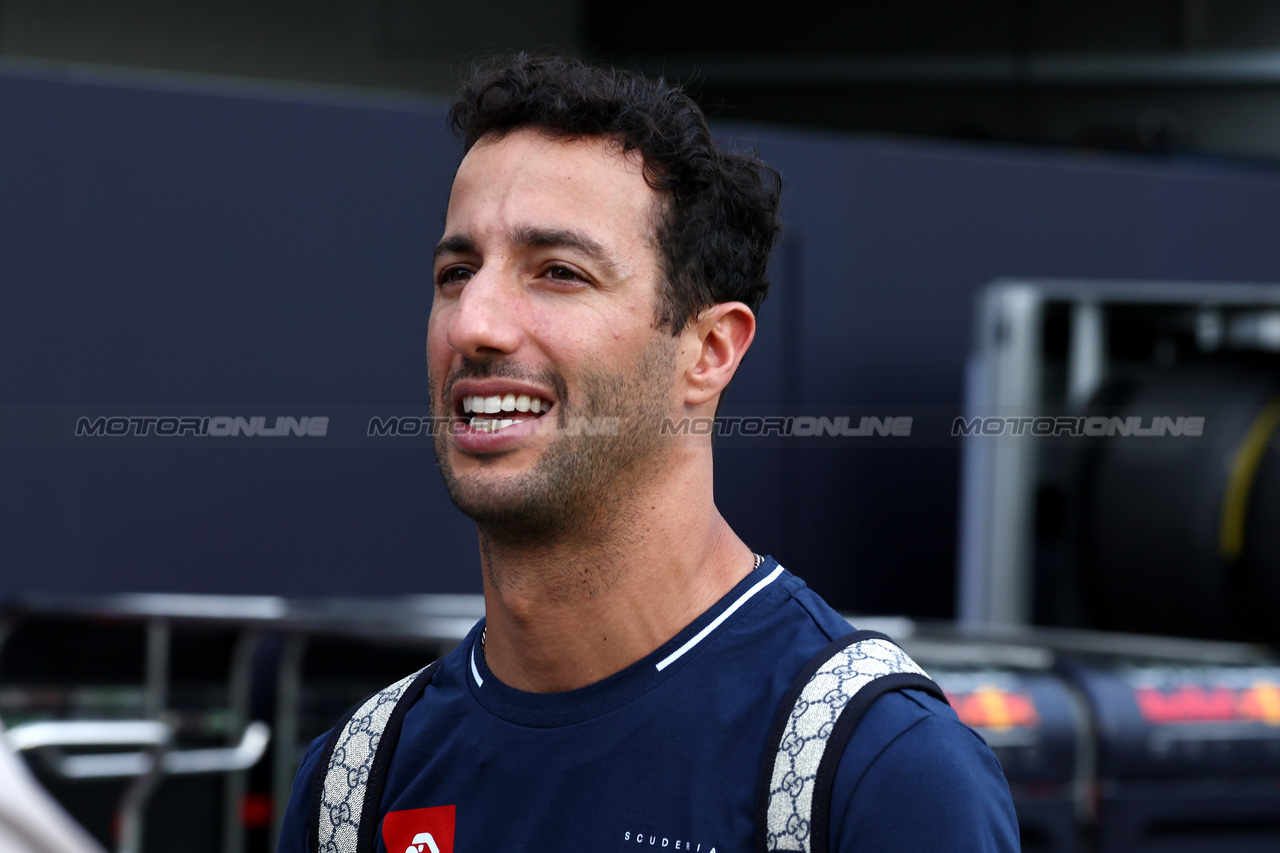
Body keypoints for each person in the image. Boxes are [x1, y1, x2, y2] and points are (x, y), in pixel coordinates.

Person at [280, 53, 1019, 852]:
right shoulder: (356, 784)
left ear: (708, 350)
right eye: (457, 271)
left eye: (558, 272)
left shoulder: (874, 770)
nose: (474, 324)